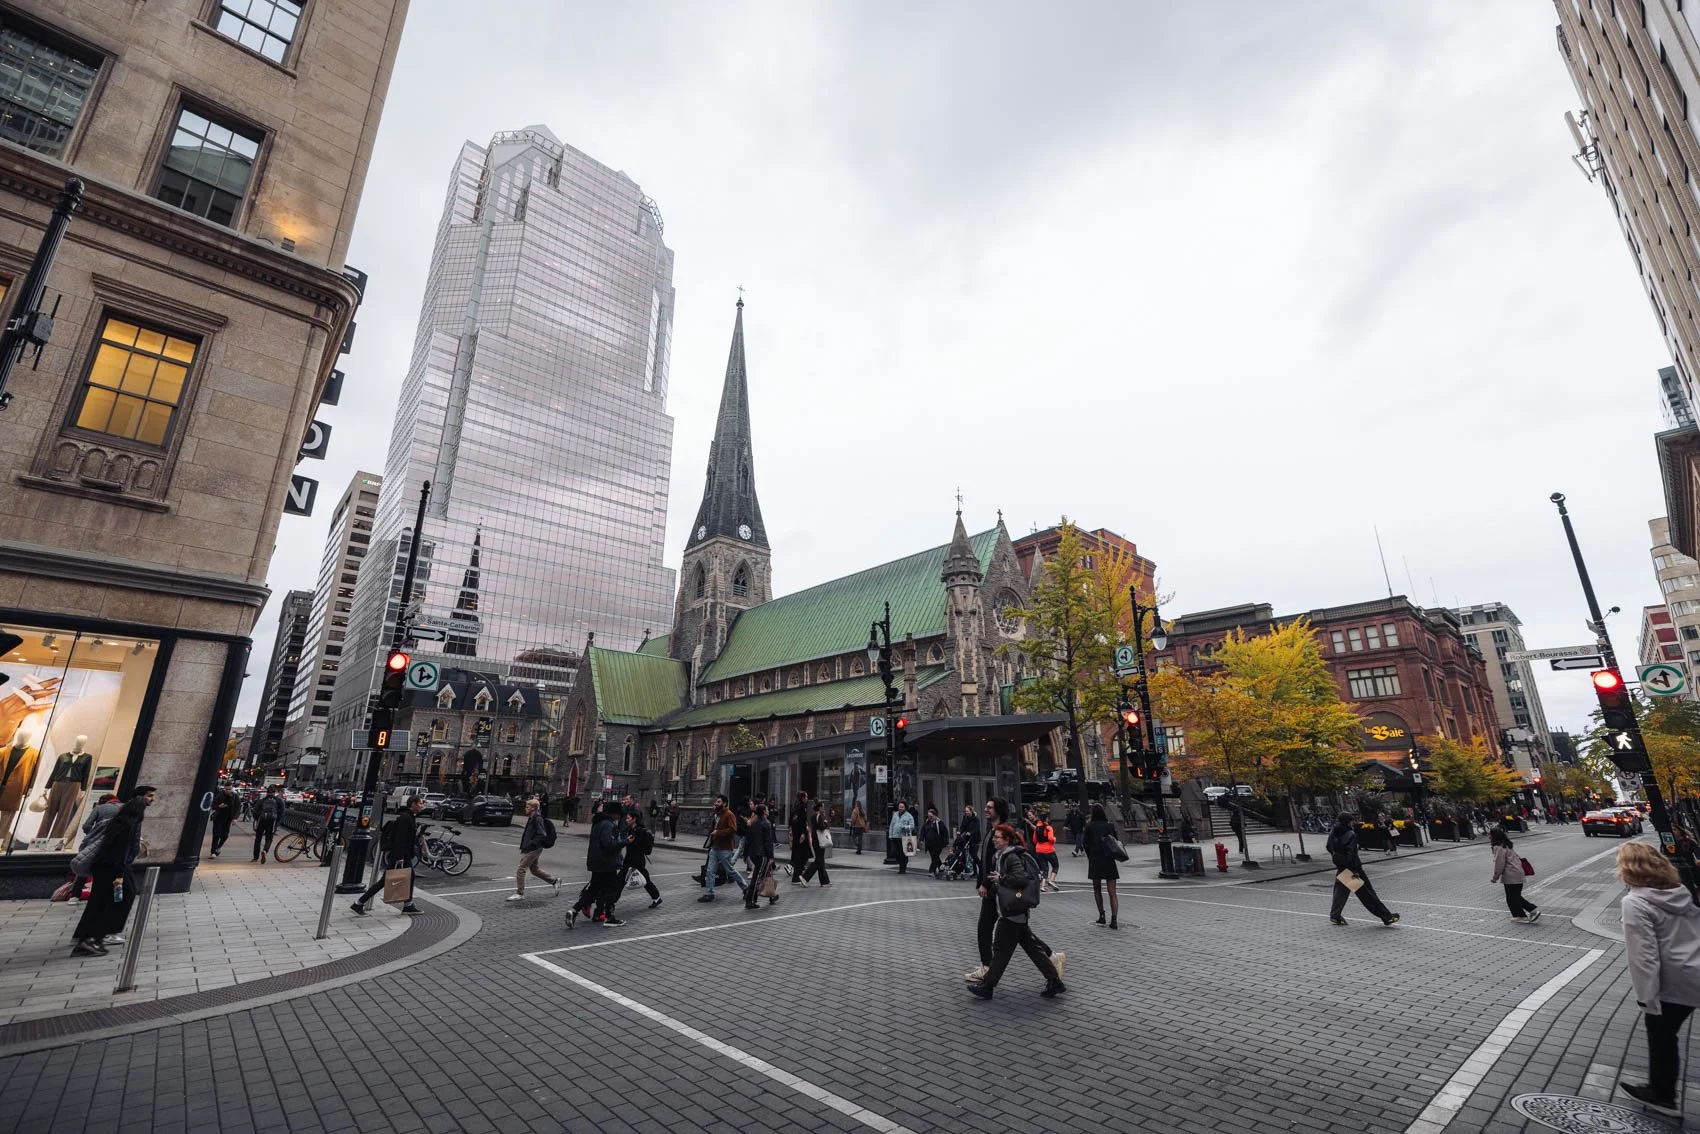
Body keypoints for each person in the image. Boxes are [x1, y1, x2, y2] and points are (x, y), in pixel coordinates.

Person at [1617, 842, 1700, 1117]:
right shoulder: (1678, 891)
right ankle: (1661, 1091)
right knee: (1667, 1034)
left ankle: (1662, 1095)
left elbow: (1643, 956)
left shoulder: (1635, 902)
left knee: (1662, 1035)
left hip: (1671, 981)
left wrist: (1647, 998)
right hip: (1695, 970)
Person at [965, 798, 1062, 984]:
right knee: (1022, 935)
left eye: (989, 807)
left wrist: (986, 883)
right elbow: (985, 860)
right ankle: (1051, 957)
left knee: (990, 930)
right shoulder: (991, 831)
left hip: (1000, 891)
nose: (985, 809)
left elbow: (996, 863)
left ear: (998, 811)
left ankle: (987, 969)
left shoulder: (1003, 832)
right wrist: (981, 880)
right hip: (995, 889)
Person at [70, 785, 156, 956]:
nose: (152, 799)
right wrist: (119, 874)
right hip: (114, 867)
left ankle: (88, 936)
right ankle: (96, 937)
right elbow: (120, 850)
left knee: (101, 900)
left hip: (110, 865)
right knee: (115, 900)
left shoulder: (123, 821)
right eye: (149, 796)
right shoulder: (128, 824)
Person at [350, 795, 423, 917]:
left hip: (403, 855)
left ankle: (408, 905)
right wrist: (400, 857)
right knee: (384, 881)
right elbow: (400, 839)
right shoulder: (406, 818)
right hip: (399, 856)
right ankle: (359, 903)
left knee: (410, 876)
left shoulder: (409, 817)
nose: (422, 806)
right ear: (413, 804)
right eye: (420, 803)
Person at [1326, 812, 1399, 927]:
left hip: (1341, 866)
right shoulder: (1351, 834)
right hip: (1353, 868)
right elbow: (1352, 854)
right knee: (1367, 894)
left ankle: (1335, 915)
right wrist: (1354, 870)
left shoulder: (1334, 831)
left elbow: (1328, 846)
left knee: (1340, 892)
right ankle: (1387, 917)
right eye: (1352, 820)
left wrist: (1336, 857)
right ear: (1349, 821)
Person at [569, 800, 629, 927]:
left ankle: (574, 910)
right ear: (614, 813)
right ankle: (609, 917)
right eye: (618, 814)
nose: (619, 817)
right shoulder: (608, 825)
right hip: (606, 863)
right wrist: (625, 842)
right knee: (610, 890)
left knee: (594, 889)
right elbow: (609, 844)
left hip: (596, 862)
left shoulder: (598, 822)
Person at [509, 798, 560, 901]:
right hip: (530, 847)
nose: (525, 809)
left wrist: (531, 844)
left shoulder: (537, 818)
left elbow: (542, 834)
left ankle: (520, 893)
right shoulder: (532, 817)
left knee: (521, 870)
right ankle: (554, 881)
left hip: (533, 848)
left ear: (533, 808)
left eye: (527, 807)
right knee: (534, 869)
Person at [698, 795, 747, 903]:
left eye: (718, 801)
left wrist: (718, 833)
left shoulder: (729, 814)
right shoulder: (717, 814)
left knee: (730, 870)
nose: (716, 803)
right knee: (710, 870)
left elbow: (733, 829)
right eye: (716, 801)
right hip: (715, 847)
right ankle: (709, 893)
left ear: (724, 803)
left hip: (725, 848)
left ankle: (745, 888)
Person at [1489, 828, 1539, 923]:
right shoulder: (1507, 845)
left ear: (1494, 836)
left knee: (1512, 897)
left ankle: (1520, 915)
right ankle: (1532, 910)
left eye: (1490, 834)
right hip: (1518, 872)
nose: (1488, 836)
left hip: (1510, 875)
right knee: (1515, 896)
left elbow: (1499, 864)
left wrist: (1494, 877)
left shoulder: (1498, 847)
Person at [618, 807, 663, 909]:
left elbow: (638, 847)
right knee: (645, 879)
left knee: (621, 881)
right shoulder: (631, 829)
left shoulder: (639, 832)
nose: (627, 819)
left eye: (629, 818)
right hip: (632, 860)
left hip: (635, 861)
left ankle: (610, 902)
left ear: (634, 819)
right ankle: (656, 897)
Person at [1084, 803, 1120, 928]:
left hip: (1095, 860)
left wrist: (1090, 857)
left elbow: (1086, 845)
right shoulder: (1109, 825)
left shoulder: (1090, 827)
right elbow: (1116, 841)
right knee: (1112, 891)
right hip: (1109, 859)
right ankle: (1114, 919)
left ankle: (1102, 915)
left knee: (1097, 889)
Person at [742, 802, 780, 910]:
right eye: (767, 809)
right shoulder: (766, 824)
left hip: (753, 853)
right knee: (758, 877)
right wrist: (771, 856)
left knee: (763, 874)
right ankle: (750, 900)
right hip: (761, 853)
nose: (768, 811)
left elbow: (748, 839)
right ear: (764, 812)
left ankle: (771, 896)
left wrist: (745, 854)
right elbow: (768, 842)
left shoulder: (753, 822)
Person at [801, 800, 833, 887]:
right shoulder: (820, 816)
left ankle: (825, 881)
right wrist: (826, 823)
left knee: (820, 861)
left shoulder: (813, 816)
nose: (824, 809)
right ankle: (805, 877)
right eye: (822, 807)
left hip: (815, 840)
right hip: (820, 841)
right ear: (819, 808)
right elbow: (822, 827)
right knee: (819, 861)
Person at [252, 785, 284, 864]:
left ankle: (256, 857)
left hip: (262, 820)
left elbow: (255, 810)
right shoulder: (278, 800)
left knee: (258, 838)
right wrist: (277, 821)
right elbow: (282, 812)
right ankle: (265, 850)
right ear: (275, 792)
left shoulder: (262, 800)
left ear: (267, 792)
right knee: (269, 838)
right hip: (272, 821)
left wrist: (257, 818)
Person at [1031, 809, 1060, 892]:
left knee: (1045, 868)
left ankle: (1043, 886)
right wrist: (1054, 839)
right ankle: (1051, 880)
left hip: (1039, 850)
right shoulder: (1048, 828)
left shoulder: (1037, 828)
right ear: (1046, 819)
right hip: (1049, 850)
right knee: (1055, 866)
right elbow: (1051, 839)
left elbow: (1034, 840)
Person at [921, 806, 949, 878]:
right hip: (929, 844)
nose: (930, 817)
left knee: (935, 857)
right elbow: (923, 831)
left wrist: (945, 842)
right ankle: (941, 868)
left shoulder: (939, 823)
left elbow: (945, 832)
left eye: (931, 816)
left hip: (938, 844)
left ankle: (932, 871)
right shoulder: (927, 822)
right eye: (929, 816)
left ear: (935, 815)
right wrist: (921, 839)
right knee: (934, 857)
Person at [209, 785, 236, 858]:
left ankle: (218, 847)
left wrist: (234, 818)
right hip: (218, 818)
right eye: (226, 789)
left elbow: (237, 807)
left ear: (232, 788)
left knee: (225, 835)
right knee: (216, 835)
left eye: (229, 789)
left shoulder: (234, 796)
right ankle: (213, 852)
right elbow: (212, 805)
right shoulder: (220, 795)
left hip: (228, 819)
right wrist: (219, 806)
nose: (228, 791)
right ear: (224, 789)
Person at [889, 800, 916, 874]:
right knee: (895, 852)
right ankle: (902, 863)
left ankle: (902, 867)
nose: (900, 808)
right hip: (895, 836)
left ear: (905, 808)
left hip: (903, 837)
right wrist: (890, 835)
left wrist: (904, 827)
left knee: (902, 853)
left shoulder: (909, 816)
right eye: (899, 807)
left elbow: (912, 826)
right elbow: (892, 824)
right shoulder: (895, 814)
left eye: (902, 807)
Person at [958, 803, 981, 876]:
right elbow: (963, 826)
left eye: (967, 811)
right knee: (971, 854)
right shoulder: (965, 818)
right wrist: (960, 832)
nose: (966, 813)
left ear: (971, 811)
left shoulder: (975, 819)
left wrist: (971, 833)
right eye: (965, 811)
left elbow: (976, 829)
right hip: (968, 838)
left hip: (975, 839)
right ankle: (974, 872)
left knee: (974, 855)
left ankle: (981, 867)